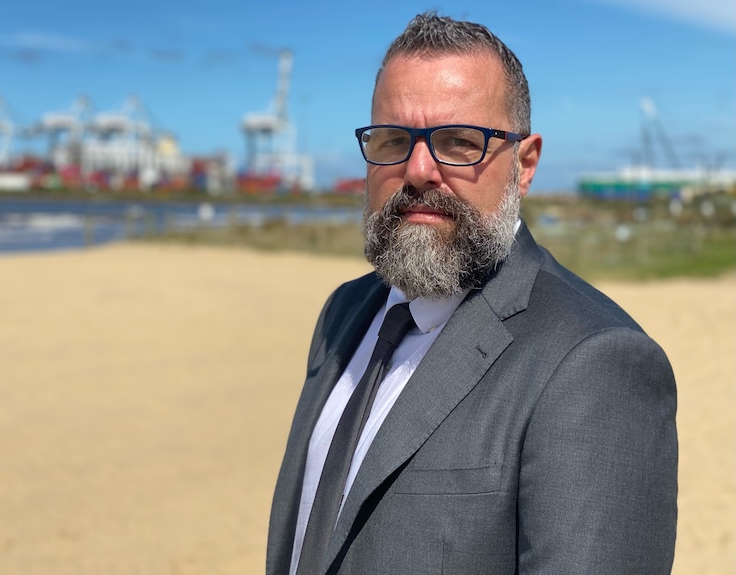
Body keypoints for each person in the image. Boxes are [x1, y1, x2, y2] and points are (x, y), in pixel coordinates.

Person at [266, 11, 678, 575]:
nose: (417, 170)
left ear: (524, 165)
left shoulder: (595, 361)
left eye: (459, 143)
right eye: (392, 139)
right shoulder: (344, 313)